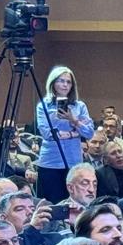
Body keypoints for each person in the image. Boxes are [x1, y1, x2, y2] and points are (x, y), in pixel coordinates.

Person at [34, 66, 95, 203]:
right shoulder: (43, 105)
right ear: (53, 83)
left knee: (74, 202)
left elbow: (89, 132)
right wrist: (74, 133)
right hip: (50, 162)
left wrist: (73, 120)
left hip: (73, 161)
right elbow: (47, 133)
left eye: (68, 82)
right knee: (52, 203)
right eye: (61, 81)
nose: (65, 85)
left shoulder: (79, 106)